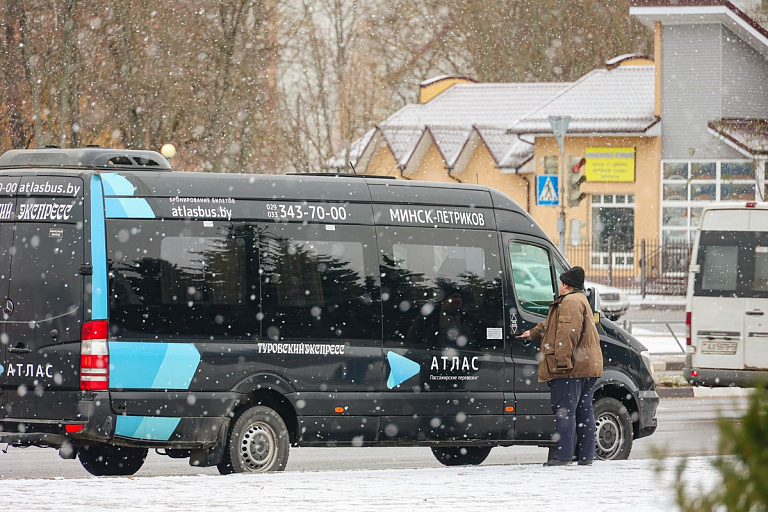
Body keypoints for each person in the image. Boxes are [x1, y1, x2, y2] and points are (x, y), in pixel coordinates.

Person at [519, 266, 603, 466]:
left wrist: (562, 363)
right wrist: (533, 333)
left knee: (565, 410)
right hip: (587, 366)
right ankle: (586, 457)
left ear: (566, 285)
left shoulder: (570, 301)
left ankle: (563, 457)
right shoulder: (581, 299)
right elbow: (554, 324)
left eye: (561, 282)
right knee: (584, 411)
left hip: (572, 368)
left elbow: (567, 333)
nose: (559, 285)